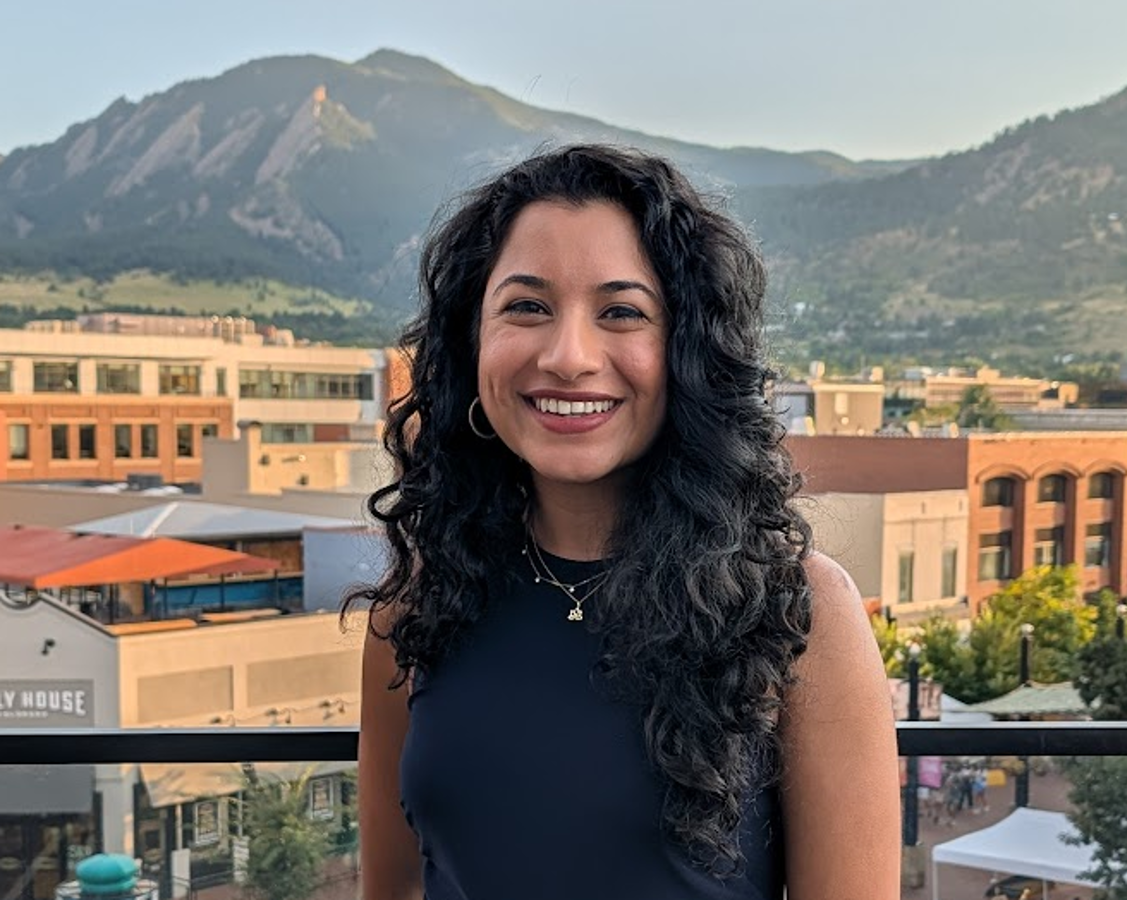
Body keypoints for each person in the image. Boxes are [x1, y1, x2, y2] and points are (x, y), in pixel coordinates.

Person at [348, 144, 900, 900]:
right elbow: (395, 889)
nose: (570, 356)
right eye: (527, 306)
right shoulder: (417, 607)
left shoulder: (798, 612)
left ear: (687, 353)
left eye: (621, 312)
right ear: (471, 343)